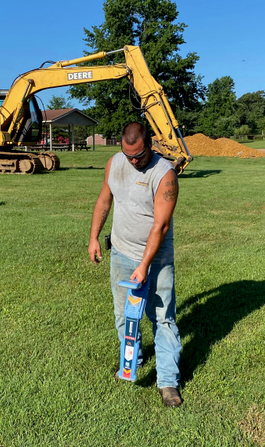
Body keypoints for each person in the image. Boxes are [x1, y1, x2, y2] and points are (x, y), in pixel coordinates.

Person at [88, 122, 182, 408]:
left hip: (157, 258)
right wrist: (93, 237)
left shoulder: (164, 174)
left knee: (162, 318)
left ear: (150, 145)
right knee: (124, 315)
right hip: (120, 253)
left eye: (138, 156)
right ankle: (132, 361)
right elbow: (105, 200)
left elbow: (161, 225)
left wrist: (144, 265)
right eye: (127, 155)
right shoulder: (114, 163)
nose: (132, 161)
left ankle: (167, 382)